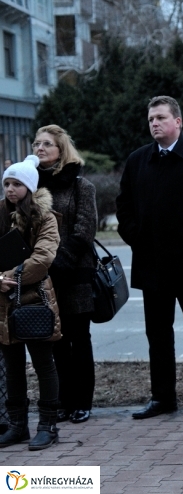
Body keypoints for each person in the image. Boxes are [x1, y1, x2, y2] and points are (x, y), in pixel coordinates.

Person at [116, 95, 183, 420]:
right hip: (152, 264)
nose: (154, 123)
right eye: (151, 119)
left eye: (160, 117)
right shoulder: (138, 160)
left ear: (178, 121)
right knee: (158, 335)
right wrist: (138, 238)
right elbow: (124, 207)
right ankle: (162, 397)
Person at [33, 125, 98, 425]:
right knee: (55, 340)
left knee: (79, 338)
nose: (40, 148)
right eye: (36, 144)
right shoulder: (32, 185)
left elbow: (85, 229)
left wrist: (59, 259)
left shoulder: (81, 185)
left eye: (47, 144)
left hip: (75, 273)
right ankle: (62, 401)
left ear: (61, 149)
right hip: (44, 274)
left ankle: (82, 402)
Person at [0, 155, 62, 450]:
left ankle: (48, 425)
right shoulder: (0, 214)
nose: (10, 189)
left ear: (29, 187)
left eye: (16, 184)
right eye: (6, 184)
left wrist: (7, 276)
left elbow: (43, 258)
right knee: (12, 366)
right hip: (3, 302)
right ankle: (17, 426)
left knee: (43, 363)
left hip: (35, 298)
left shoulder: (45, 217)